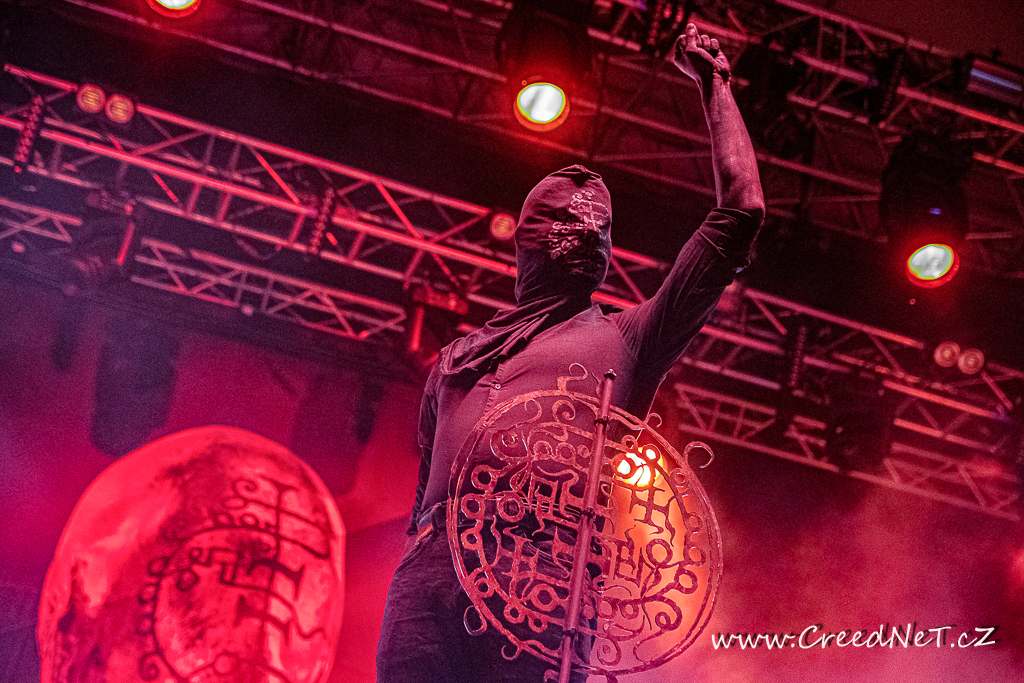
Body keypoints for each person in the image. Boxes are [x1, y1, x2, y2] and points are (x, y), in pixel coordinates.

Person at [377, 23, 764, 683]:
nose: (575, 234)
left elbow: (741, 213)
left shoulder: (628, 338)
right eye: (557, 222)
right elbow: (424, 501)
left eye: (591, 229)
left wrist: (716, 87)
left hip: (548, 572)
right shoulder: (457, 359)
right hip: (433, 573)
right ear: (525, 242)